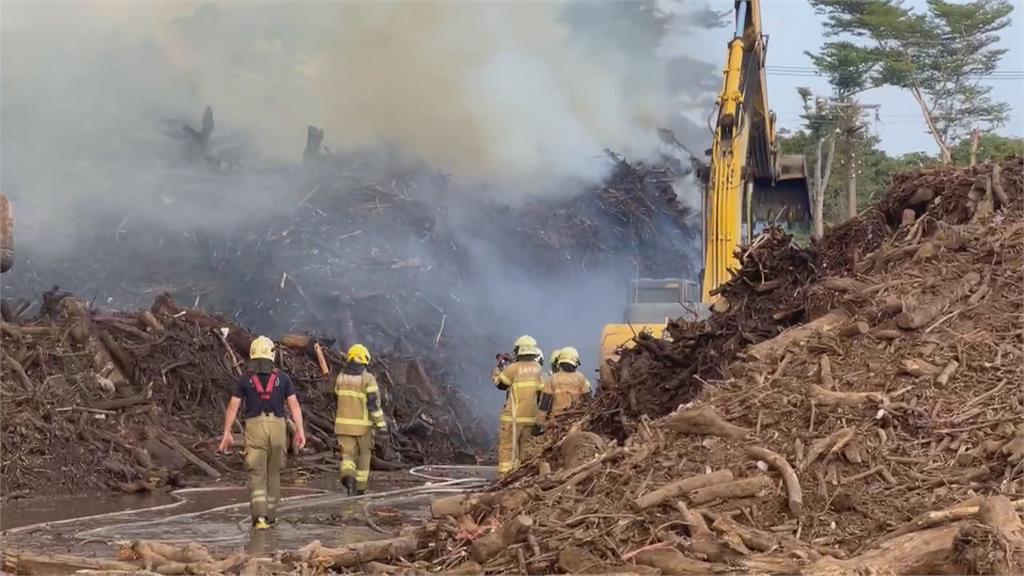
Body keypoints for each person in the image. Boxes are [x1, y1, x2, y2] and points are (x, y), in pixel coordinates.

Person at [219, 336, 306, 530]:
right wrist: (300, 431)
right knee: (273, 473)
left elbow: (233, 406)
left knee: (257, 473)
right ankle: (272, 517)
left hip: (255, 427)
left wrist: (227, 432)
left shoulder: (245, 379)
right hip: (278, 428)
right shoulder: (283, 378)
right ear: (271, 355)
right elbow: (294, 406)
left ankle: (259, 519)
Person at [334, 344, 387, 496]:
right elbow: (373, 405)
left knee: (348, 456)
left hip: (343, 426)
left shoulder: (340, 378)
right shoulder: (368, 379)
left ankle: (348, 478)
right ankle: (359, 489)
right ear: (364, 360)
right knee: (364, 457)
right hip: (363, 427)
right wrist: (381, 426)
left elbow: (336, 394)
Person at [492, 335, 545, 476]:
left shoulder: (512, 369)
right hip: (530, 417)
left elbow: (501, 385)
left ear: (518, 350)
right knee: (525, 450)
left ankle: (505, 476)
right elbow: (543, 393)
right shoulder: (539, 369)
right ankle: (524, 477)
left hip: (513, 418)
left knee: (508, 449)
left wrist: (499, 369)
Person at [537, 346, 593, 433]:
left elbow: (545, 402)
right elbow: (588, 400)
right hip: (575, 421)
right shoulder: (581, 378)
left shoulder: (552, 378)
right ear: (576, 362)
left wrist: (540, 423)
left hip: (555, 422)